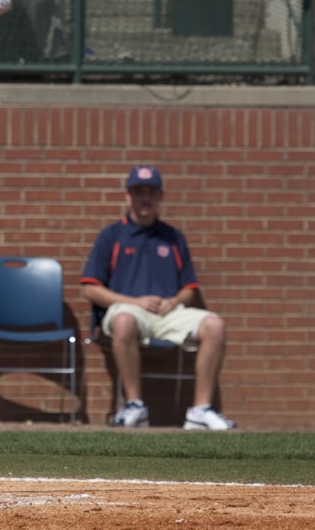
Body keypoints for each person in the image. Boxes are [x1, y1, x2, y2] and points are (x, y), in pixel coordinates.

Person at [79, 165, 236, 431]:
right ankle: (134, 405)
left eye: (151, 192)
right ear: (128, 196)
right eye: (139, 192)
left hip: (168, 314)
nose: (145, 198)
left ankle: (200, 410)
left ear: (160, 196)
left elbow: (190, 288)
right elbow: (90, 288)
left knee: (215, 326)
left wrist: (174, 301)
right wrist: (133, 302)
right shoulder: (112, 236)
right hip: (129, 311)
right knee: (125, 320)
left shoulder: (173, 237)